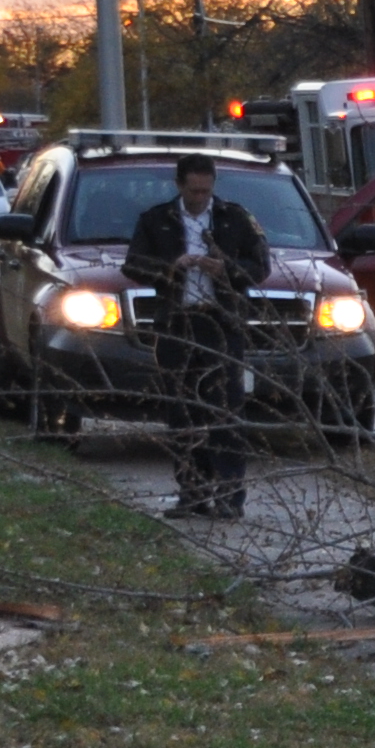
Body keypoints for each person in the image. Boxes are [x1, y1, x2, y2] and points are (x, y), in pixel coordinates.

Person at [127, 154, 271, 520]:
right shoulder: (157, 220)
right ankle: (192, 491)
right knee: (181, 411)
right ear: (179, 186)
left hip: (221, 326)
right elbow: (133, 265)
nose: (200, 197)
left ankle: (229, 495)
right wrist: (171, 268)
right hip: (178, 325)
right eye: (193, 191)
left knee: (225, 410)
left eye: (206, 191)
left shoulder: (234, 218)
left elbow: (260, 267)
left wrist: (226, 270)